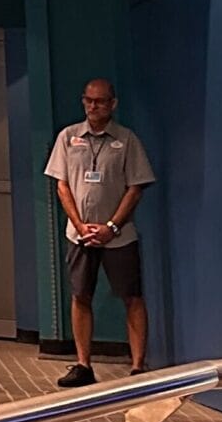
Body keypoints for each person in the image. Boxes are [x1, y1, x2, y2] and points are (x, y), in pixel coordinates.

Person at [44, 78, 156, 387]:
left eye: (101, 101)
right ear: (83, 102)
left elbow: (136, 188)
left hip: (119, 236)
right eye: (89, 101)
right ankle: (83, 365)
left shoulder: (127, 140)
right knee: (81, 295)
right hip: (79, 234)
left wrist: (111, 226)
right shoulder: (68, 138)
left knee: (132, 297)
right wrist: (80, 225)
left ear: (113, 104)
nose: (94, 106)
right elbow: (62, 185)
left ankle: (137, 367)